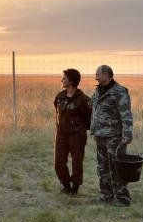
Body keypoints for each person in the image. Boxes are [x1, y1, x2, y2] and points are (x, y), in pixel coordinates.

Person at [90, 64, 134, 206]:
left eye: (98, 74)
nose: (95, 76)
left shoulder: (119, 91)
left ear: (107, 75)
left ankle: (122, 198)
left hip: (114, 137)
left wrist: (127, 133)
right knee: (102, 167)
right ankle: (106, 195)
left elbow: (126, 113)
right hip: (100, 136)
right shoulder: (97, 92)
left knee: (116, 167)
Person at [53, 68, 91, 195]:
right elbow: (57, 112)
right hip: (61, 134)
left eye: (64, 78)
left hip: (77, 135)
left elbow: (89, 117)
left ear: (71, 81)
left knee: (76, 161)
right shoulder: (59, 97)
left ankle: (75, 187)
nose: (61, 80)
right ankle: (65, 184)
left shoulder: (83, 99)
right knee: (59, 162)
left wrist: (79, 129)